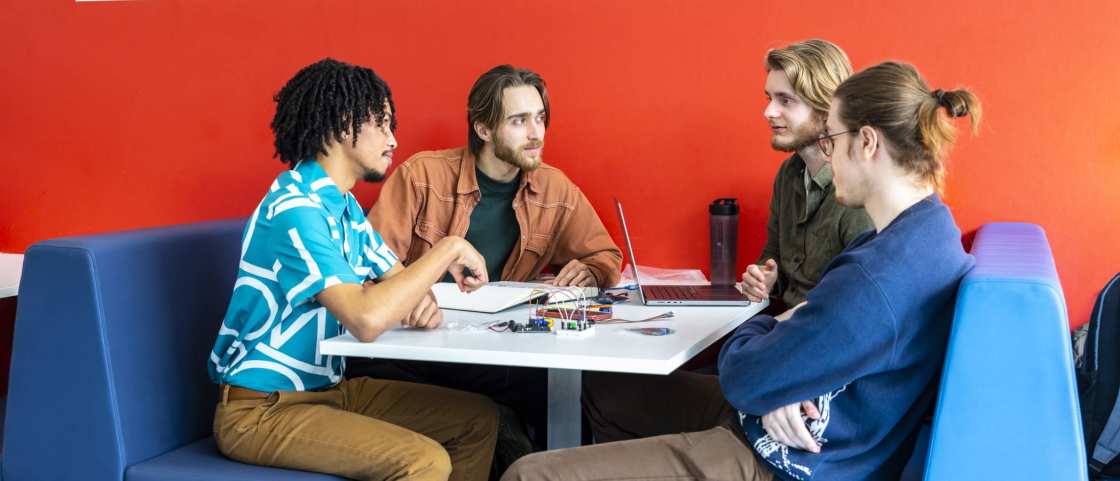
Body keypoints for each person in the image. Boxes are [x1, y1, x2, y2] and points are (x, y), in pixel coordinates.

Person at [505, 60, 981, 481]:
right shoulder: (921, 234)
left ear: (868, 142)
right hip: (790, 423)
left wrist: (768, 344)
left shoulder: (878, 276)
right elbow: (796, 337)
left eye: (833, 139)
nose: (828, 152)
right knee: (606, 391)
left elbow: (745, 375)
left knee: (531, 473)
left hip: (787, 461)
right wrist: (781, 364)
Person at [208, 58, 498, 481]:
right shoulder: (296, 209)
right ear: (344, 124)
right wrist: (448, 249)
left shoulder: (342, 208)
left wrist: (416, 297)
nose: (393, 139)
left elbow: (406, 289)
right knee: (423, 461)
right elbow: (366, 319)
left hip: (330, 393)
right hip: (261, 411)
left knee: (477, 419)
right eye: (381, 124)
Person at [348, 65, 623, 470]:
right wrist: (406, 301)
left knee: (567, 393)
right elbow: (362, 272)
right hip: (409, 353)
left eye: (540, 118)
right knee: (507, 414)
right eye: (519, 120)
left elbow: (606, 255)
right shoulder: (422, 176)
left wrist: (593, 270)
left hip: (491, 354)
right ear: (483, 129)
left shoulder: (554, 188)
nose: (536, 133)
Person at [740, 39, 873, 311]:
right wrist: (765, 278)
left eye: (785, 100)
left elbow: (862, 300)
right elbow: (773, 255)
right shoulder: (789, 174)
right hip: (786, 328)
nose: (768, 112)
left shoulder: (859, 190)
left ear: (826, 108)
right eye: (769, 98)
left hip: (824, 336)